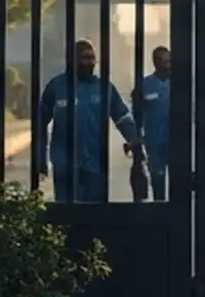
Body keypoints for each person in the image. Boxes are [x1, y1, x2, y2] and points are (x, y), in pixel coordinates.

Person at [33, 39, 142, 203]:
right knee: (66, 213)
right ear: (72, 60)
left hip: (95, 162)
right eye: (84, 58)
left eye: (92, 58)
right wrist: (40, 157)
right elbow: (41, 124)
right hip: (64, 164)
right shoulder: (57, 86)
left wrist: (135, 142)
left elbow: (122, 118)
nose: (89, 62)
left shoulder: (104, 88)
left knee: (92, 213)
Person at [135, 46, 174, 202]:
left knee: (178, 184)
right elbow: (136, 114)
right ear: (155, 62)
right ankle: (162, 217)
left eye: (168, 61)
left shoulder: (180, 85)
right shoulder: (145, 85)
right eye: (163, 61)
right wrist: (137, 139)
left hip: (176, 142)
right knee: (158, 182)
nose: (166, 64)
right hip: (154, 143)